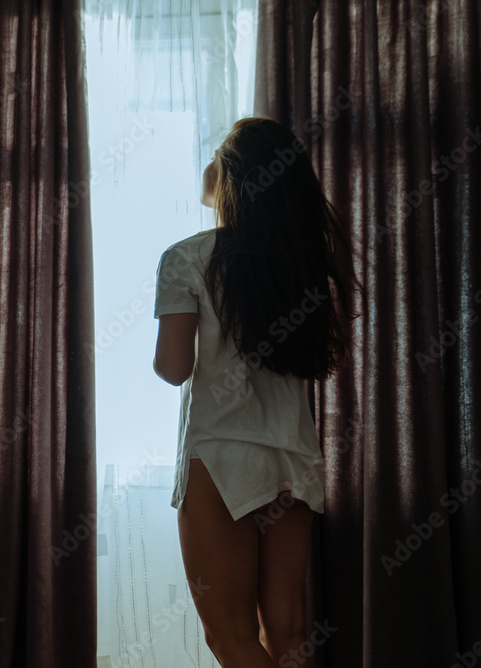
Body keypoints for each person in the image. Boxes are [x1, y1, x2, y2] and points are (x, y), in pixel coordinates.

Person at [151, 117, 361, 667]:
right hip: (293, 459)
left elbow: (174, 369)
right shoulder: (301, 266)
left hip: (221, 457)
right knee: (288, 635)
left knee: (232, 637)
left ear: (231, 175)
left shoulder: (187, 257)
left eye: (216, 154)